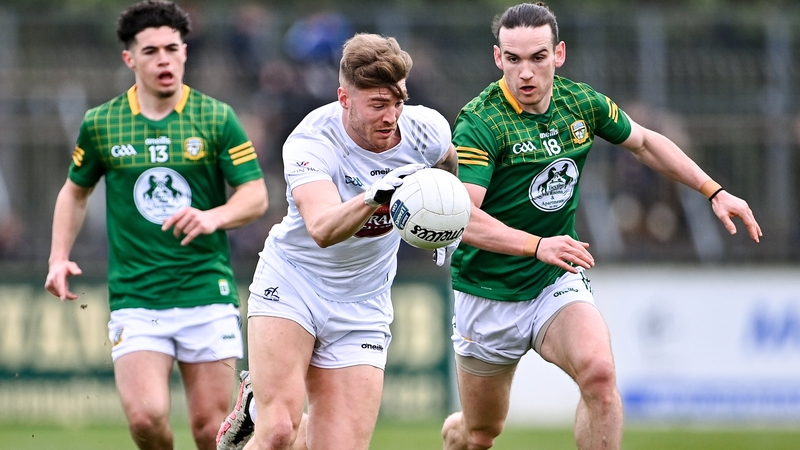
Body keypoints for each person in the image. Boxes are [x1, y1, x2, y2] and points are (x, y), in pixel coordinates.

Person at [439, 3, 762, 450]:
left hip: (554, 281)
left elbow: (646, 143)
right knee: (480, 433)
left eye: (538, 57)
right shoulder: (481, 121)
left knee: (600, 374)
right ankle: (458, 432)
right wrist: (537, 244)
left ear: (559, 54)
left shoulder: (581, 102)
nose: (526, 73)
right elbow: (463, 218)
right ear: (498, 58)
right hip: (487, 294)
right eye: (513, 59)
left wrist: (714, 191)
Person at [215, 33, 458, 450]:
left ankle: (263, 403)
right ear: (344, 98)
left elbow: (447, 158)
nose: (391, 117)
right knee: (276, 432)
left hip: (363, 301)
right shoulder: (311, 141)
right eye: (377, 106)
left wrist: (445, 219)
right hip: (295, 282)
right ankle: (260, 408)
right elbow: (323, 228)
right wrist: (375, 194)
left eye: (397, 103)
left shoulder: (425, 128)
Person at [43, 2, 268, 449]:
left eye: (171, 48)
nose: (163, 59)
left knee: (211, 430)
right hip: (137, 296)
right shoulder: (102, 123)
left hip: (206, 293)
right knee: (146, 419)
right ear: (130, 58)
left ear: (185, 52)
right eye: (150, 51)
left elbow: (255, 195)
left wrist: (213, 216)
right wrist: (58, 257)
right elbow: (74, 191)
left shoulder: (216, 117)